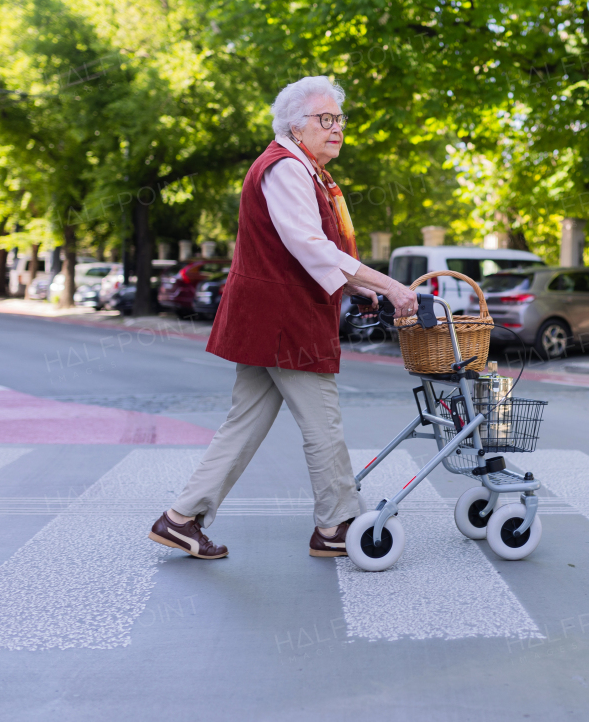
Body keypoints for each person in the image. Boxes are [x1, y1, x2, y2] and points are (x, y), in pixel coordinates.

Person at [148, 76, 417, 560]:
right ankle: (336, 524)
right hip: (284, 322)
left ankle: (180, 519)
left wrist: (357, 285)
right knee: (323, 423)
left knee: (244, 423)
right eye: (325, 119)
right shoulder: (287, 169)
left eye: (340, 119)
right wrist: (389, 285)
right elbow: (310, 246)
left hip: (270, 318)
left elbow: (304, 250)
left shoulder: (301, 170)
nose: (336, 128)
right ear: (295, 126)